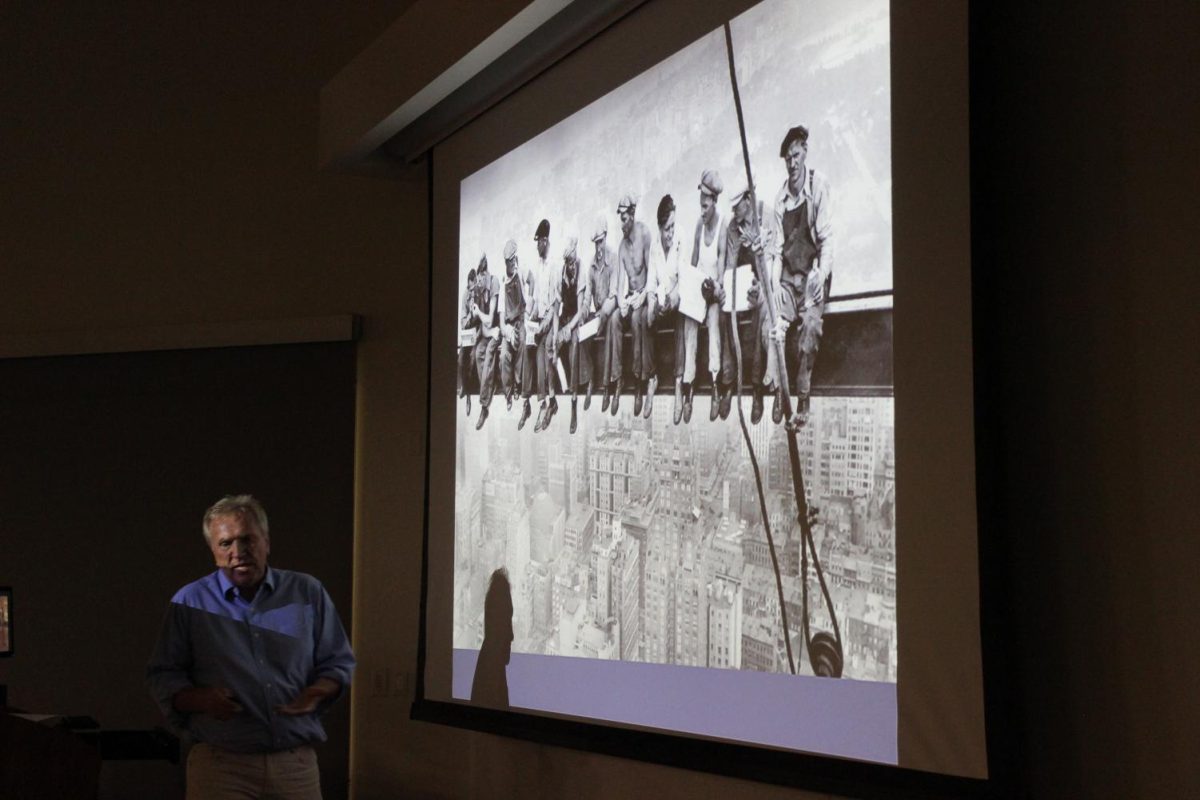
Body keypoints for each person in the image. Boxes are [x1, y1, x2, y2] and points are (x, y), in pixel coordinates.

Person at [147, 495, 354, 800]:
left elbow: (338, 661)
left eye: (247, 540)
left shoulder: (306, 591)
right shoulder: (189, 602)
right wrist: (200, 699)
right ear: (212, 551)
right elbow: (162, 675)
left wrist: (318, 691)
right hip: (222, 766)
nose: (238, 552)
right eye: (225, 544)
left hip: (294, 763)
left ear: (266, 542)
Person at [763, 124, 834, 428]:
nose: (792, 164)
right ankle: (781, 391)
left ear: (805, 152)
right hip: (789, 280)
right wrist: (775, 285)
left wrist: (821, 273)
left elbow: (828, 240)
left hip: (813, 277)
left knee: (809, 330)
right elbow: (778, 251)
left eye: (795, 156)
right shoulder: (780, 200)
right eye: (787, 159)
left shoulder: (818, 187)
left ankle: (802, 400)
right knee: (776, 327)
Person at [725, 184, 772, 425]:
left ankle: (756, 389)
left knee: (760, 314)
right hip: (740, 285)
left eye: (738, 207)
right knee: (725, 314)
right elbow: (729, 264)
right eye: (732, 209)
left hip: (762, 284)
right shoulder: (732, 227)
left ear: (748, 198)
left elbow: (773, 259)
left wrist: (760, 285)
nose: (735, 213)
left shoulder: (765, 214)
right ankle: (727, 381)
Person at [611, 194, 657, 418]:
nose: (622, 223)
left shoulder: (645, 234)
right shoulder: (621, 247)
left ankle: (642, 380)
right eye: (620, 218)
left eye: (625, 218)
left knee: (639, 319)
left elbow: (652, 273)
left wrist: (644, 296)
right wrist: (621, 303)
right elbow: (621, 283)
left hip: (647, 295)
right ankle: (618, 378)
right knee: (614, 321)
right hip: (631, 297)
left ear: (633, 215)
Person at [689, 169, 728, 421]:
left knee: (714, 323)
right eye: (700, 206)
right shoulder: (698, 226)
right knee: (689, 323)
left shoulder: (722, 226)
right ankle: (688, 382)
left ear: (714, 201)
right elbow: (693, 265)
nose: (702, 211)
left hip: (713, 293)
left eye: (705, 206)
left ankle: (715, 382)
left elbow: (722, 272)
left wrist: (713, 288)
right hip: (698, 290)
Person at [648, 194, 690, 424]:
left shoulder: (681, 237)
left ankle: (678, 383)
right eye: (666, 229)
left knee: (681, 318)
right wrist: (653, 299)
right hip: (663, 299)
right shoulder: (655, 246)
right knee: (646, 318)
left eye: (672, 226)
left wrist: (671, 298)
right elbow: (650, 281)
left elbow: (683, 277)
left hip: (678, 297)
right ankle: (651, 377)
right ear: (660, 228)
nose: (670, 233)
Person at [528, 219, 561, 432]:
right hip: (540, 322)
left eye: (539, 241)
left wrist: (545, 324)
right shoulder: (538, 266)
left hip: (553, 320)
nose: (538, 245)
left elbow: (555, 303)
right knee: (538, 355)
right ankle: (543, 403)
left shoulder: (554, 266)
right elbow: (537, 302)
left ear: (545, 241)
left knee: (549, 349)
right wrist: (530, 320)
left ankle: (552, 399)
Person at [555, 237, 590, 433]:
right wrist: (558, 330)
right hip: (566, 316)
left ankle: (574, 402)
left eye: (572, 261)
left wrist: (568, 328)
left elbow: (579, 307)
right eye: (568, 262)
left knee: (575, 344)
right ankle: (562, 385)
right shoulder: (563, 273)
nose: (571, 265)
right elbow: (559, 305)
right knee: (554, 346)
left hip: (579, 315)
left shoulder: (581, 269)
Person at [498, 239, 532, 428]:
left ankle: (520, 386)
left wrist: (528, 312)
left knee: (523, 346)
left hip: (521, 321)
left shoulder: (522, 273)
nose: (510, 265)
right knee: (503, 355)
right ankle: (508, 392)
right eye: (507, 262)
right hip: (509, 327)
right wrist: (506, 331)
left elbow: (531, 285)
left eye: (512, 261)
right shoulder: (504, 284)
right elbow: (502, 320)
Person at [587, 217, 619, 413]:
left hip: (610, 308)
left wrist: (603, 315)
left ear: (605, 237)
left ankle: (609, 385)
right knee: (583, 332)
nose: (598, 246)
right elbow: (587, 298)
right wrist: (584, 315)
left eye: (600, 241)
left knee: (610, 328)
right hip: (598, 311)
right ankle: (590, 380)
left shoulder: (613, 259)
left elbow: (614, 293)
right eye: (595, 242)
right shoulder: (591, 266)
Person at [471, 253, 501, 430]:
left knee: (489, 352)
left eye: (480, 278)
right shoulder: (478, 291)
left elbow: (490, 320)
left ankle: (484, 406)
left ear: (484, 274)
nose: (479, 283)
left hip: (498, 332)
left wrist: (478, 314)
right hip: (488, 332)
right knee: (477, 354)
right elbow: (483, 327)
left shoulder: (494, 283)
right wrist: (479, 317)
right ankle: (491, 385)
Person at [458, 267, 478, 417]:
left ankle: (470, 396)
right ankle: (465, 389)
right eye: (470, 288)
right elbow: (463, 322)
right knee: (461, 359)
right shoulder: (465, 296)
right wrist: (470, 313)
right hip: (468, 335)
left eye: (473, 287)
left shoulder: (480, 293)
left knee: (473, 359)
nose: (472, 291)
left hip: (479, 334)